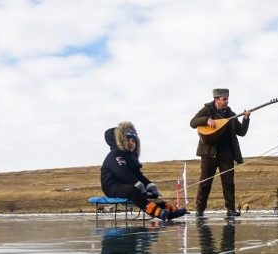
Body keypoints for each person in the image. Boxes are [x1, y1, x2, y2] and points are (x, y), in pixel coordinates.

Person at [101, 122, 187, 221]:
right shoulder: (115, 154)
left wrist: (149, 185)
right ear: (121, 141)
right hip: (112, 186)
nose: (131, 143)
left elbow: (138, 175)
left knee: (151, 193)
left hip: (126, 184)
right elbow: (122, 173)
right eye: (128, 140)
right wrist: (137, 184)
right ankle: (157, 212)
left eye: (133, 141)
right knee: (132, 190)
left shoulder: (132, 157)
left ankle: (170, 212)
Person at [190, 88, 250, 218]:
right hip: (209, 152)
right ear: (216, 99)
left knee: (228, 182)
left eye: (227, 98)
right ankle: (199, 210)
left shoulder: (231, 114)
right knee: (205, 182)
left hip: (226, 153)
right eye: (224, 99)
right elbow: (193, 122)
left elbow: (242, 132)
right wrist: (206, 120)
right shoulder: (207, 110)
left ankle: (230, 209)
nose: (227, 101)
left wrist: (246, 119)